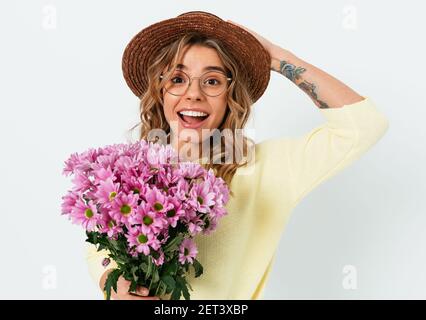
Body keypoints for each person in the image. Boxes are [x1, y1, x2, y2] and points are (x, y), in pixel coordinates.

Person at [86, 11, 389, 300]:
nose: (194, 93)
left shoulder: (265, 170)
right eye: (178, 79)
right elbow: (100, 244)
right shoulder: (131, 172)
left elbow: (364, 126)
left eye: (213, 81)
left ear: (231, 98)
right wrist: (111, 281)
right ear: (160, 91)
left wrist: (276, 58)